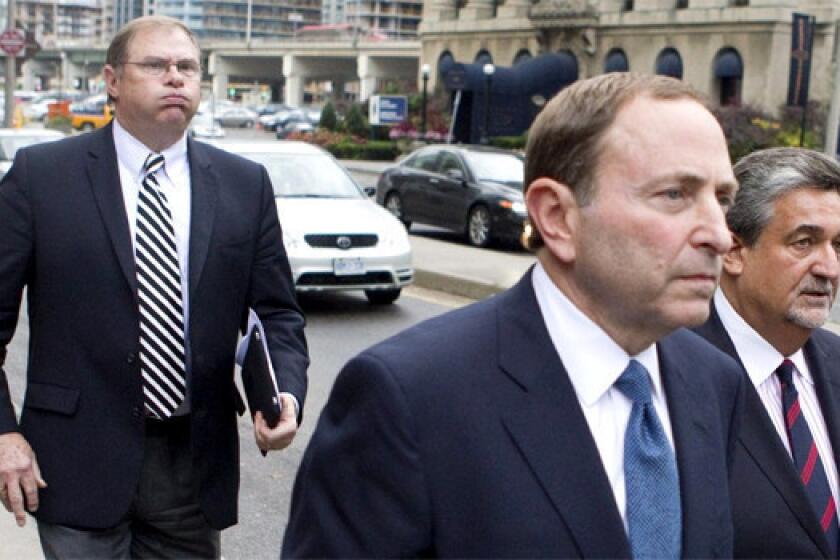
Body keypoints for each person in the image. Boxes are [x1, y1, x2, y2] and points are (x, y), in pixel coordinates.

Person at [282, 72, 743, 557]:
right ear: (557, 217)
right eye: (675, 195)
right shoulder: (408, 398)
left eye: (723, 199)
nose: (719, 233)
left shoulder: (714, 382)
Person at [0, 15, 309, 559]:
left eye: (187, 67)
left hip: (192, 466)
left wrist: (284, 393)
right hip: (74, 461)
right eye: (156, 65)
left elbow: (278, 314)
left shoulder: (244, 185)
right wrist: (3, 435)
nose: (175, 77)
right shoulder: (39, 177)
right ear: (113, 80)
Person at [694, 147, 840, 558]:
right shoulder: (668, 370)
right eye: (804, 242)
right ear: (734, 252)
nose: (828, 267)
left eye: (839, 245)